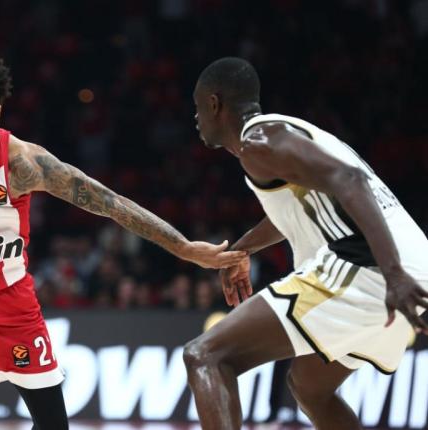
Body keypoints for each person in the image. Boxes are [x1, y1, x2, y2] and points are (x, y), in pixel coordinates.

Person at [0, 50, 246, 430]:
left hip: (11, 305)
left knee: (54, 425)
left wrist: (182, 247)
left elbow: (108, 202)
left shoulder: (23, 163)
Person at [183, 57, 428, 429]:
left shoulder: (260, 140)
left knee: (206, 355)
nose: (196, 118)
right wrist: (241, 250)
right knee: (309, 388)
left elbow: (351, 180)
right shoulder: (284, 138)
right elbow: (293, 213)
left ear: (214, 104)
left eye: (198, 107)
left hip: (373, 270)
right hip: (409, 271)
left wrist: (393, 274)